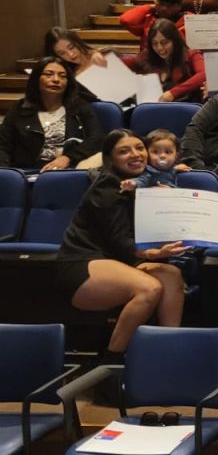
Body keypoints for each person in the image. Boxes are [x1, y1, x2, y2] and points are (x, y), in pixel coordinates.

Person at [54, 129, 188, 357]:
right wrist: (155, 253)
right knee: (149, 288)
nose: (135, 154)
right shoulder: (107, 188)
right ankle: (111, 359)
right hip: (84, 261)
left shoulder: (148, 182)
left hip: (122, 261)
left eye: (139, 148)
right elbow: (121, 243)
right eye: (124, 151)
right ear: (110, 159)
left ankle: (168, 350)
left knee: (171, 275)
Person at [0, 56, 102, 170]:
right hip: (28, 171)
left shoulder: (79, 107)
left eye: (62, 76)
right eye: (48, 74)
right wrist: (6, 172)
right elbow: (3, 146)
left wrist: (68, 158)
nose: (56, 79)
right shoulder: (19, 109)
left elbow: (96, 138)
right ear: (36, 79)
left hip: (70, 169)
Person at [133, 19, 206, 103]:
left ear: (174, 41)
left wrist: (173, 93)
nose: (160, 48)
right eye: (155, 43)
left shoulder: (191, 54)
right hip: (155, 106)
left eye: (164, 42)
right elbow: (128, 63)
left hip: (185, 106)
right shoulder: (148, 55)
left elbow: (203, 74)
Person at [120, 0, 186, 61]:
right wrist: (150, 7)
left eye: (169, 6)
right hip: (149, 63)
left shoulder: (188, 21)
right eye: (161, 4)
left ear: (179, 6)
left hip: (177, 63)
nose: (164, 8)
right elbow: (125, 20)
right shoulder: (148, 19)